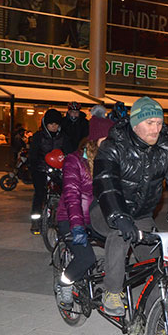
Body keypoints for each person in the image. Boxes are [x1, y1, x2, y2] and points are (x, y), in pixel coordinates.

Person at [91, 96, 168, 316]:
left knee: (156, 263)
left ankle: (154, 321)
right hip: (107, 211)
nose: (156, 128)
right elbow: (106, 183)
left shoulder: (165, 149)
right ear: (135, 123)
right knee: (121, 235)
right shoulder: (113, 146)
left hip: (141, 215)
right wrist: (119, 216)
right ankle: (112, 290)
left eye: (159, 123)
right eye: (150, 123)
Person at [54, 115, 114, 308]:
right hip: (70, 218)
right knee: (86, 257)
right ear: (95, 139)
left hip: (96, 218)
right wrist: (77, 227)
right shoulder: (75, 161)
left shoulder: (109, 159)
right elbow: (72, 198)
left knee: (119, 245)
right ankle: (64, 283)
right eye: (107, 139)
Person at [28, 109, 71, 234]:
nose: (54, 127)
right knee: (40, 194)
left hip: (58, 169)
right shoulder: (38, 137)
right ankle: (35, 221)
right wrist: (35, 167)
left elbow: (69, 152)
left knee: (64, 192)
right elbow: (33, 154)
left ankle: (61, 218)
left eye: (56, 124)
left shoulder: (63, 137)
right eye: (51, 124)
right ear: (46, 124)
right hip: (41, 169)